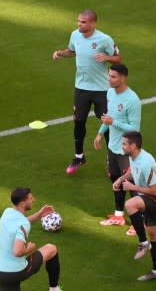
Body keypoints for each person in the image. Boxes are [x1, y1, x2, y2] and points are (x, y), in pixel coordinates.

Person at [52, 10, 121, 174]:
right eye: (78, 21)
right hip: (81, 87)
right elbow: (72, 51)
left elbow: (118, 58)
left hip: (102, 89)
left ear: (92, 24)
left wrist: (106, 58)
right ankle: (79, 156)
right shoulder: (75, 35)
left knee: (107, 123)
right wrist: (60, 53)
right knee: (78, 121)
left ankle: (112, 160)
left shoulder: (104, 39)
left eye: (83, 22)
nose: (79, 24)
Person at [113, 131, 156, 281]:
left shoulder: (146, 162)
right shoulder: (134, 157)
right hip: (149, 197)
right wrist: (121, 178)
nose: (122, 146)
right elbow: (133, 171)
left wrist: (132, 187)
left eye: (124, 143)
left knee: (130, 204)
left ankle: (143, 243)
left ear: (133, 145)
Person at [92, 64, 141, 228]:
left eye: (113, 76)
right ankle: (119, 215)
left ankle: (138, 221)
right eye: (109, 75)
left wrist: (114, 122)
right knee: (115, 181)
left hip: (126, 151)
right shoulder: (110, 92)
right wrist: (100, 132)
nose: (109, 79)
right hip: (113, 148)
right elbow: (109, 116)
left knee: (132, 185)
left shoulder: (132, 100)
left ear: (123, 78)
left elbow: (135, 129)